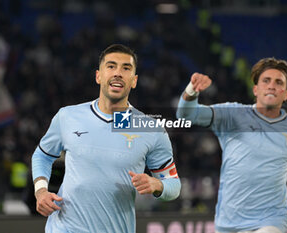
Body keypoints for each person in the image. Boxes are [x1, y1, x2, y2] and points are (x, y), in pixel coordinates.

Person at [32, 44, 181, 233]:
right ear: (98, 76)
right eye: (111, 66)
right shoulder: (67, 116)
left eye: (126, 68)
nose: (118, 73)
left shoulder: (151, 130)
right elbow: (42, 155)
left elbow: (174, 185)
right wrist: (41, 191)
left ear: (134, 81)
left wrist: (158, 184)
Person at [176, 57, 287, 233]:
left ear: (286, 94)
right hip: (228, 221)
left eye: (279, 82)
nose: (271, 85)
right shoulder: (232, 114)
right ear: (256, 89)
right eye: (266, 80)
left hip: (271, 220)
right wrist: (191, 90)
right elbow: (185, 114)